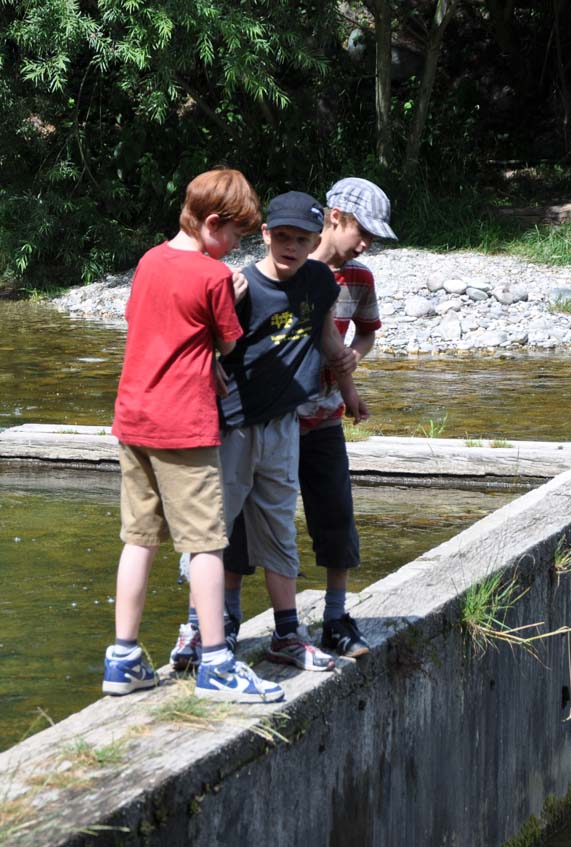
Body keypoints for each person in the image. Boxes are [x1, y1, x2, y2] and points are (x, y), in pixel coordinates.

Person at [103, 168, 284, 704]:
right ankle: (218, 664)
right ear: (211, 223)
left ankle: (123, 658)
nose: (236, 248)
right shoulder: (213, 276)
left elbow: (147, 324)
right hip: (184, 425)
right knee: (207, 543)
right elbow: (228, 344)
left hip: (134, 419)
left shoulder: (148, 261)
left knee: (139, 539)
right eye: (234, 236)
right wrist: (232, 291)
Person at [173, 189, 369, 673]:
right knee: (214, 527)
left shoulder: (320, 281)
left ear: (315, 240)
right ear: (264, 234)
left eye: (301, 239)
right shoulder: (240, 285)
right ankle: (197, 629)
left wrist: (348, 386)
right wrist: (206, 362)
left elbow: (324, 333)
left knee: (281, 529)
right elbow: (199, 340)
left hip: (284, 425)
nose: (290, 246)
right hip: (234, 425)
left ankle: (287, 634)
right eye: (281, 236)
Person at [214, 178, 395, 661]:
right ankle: (227, 618)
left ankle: (333, 616)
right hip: (264, 419)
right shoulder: (273, 274)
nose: (366, 243)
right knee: (241, 522)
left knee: (334, 514)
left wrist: (350, 383)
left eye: (372, 236)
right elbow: (225, 339)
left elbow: (343, 340)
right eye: (362, 231)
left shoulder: (347, 279)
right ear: (334, 218)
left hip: (321, 416)